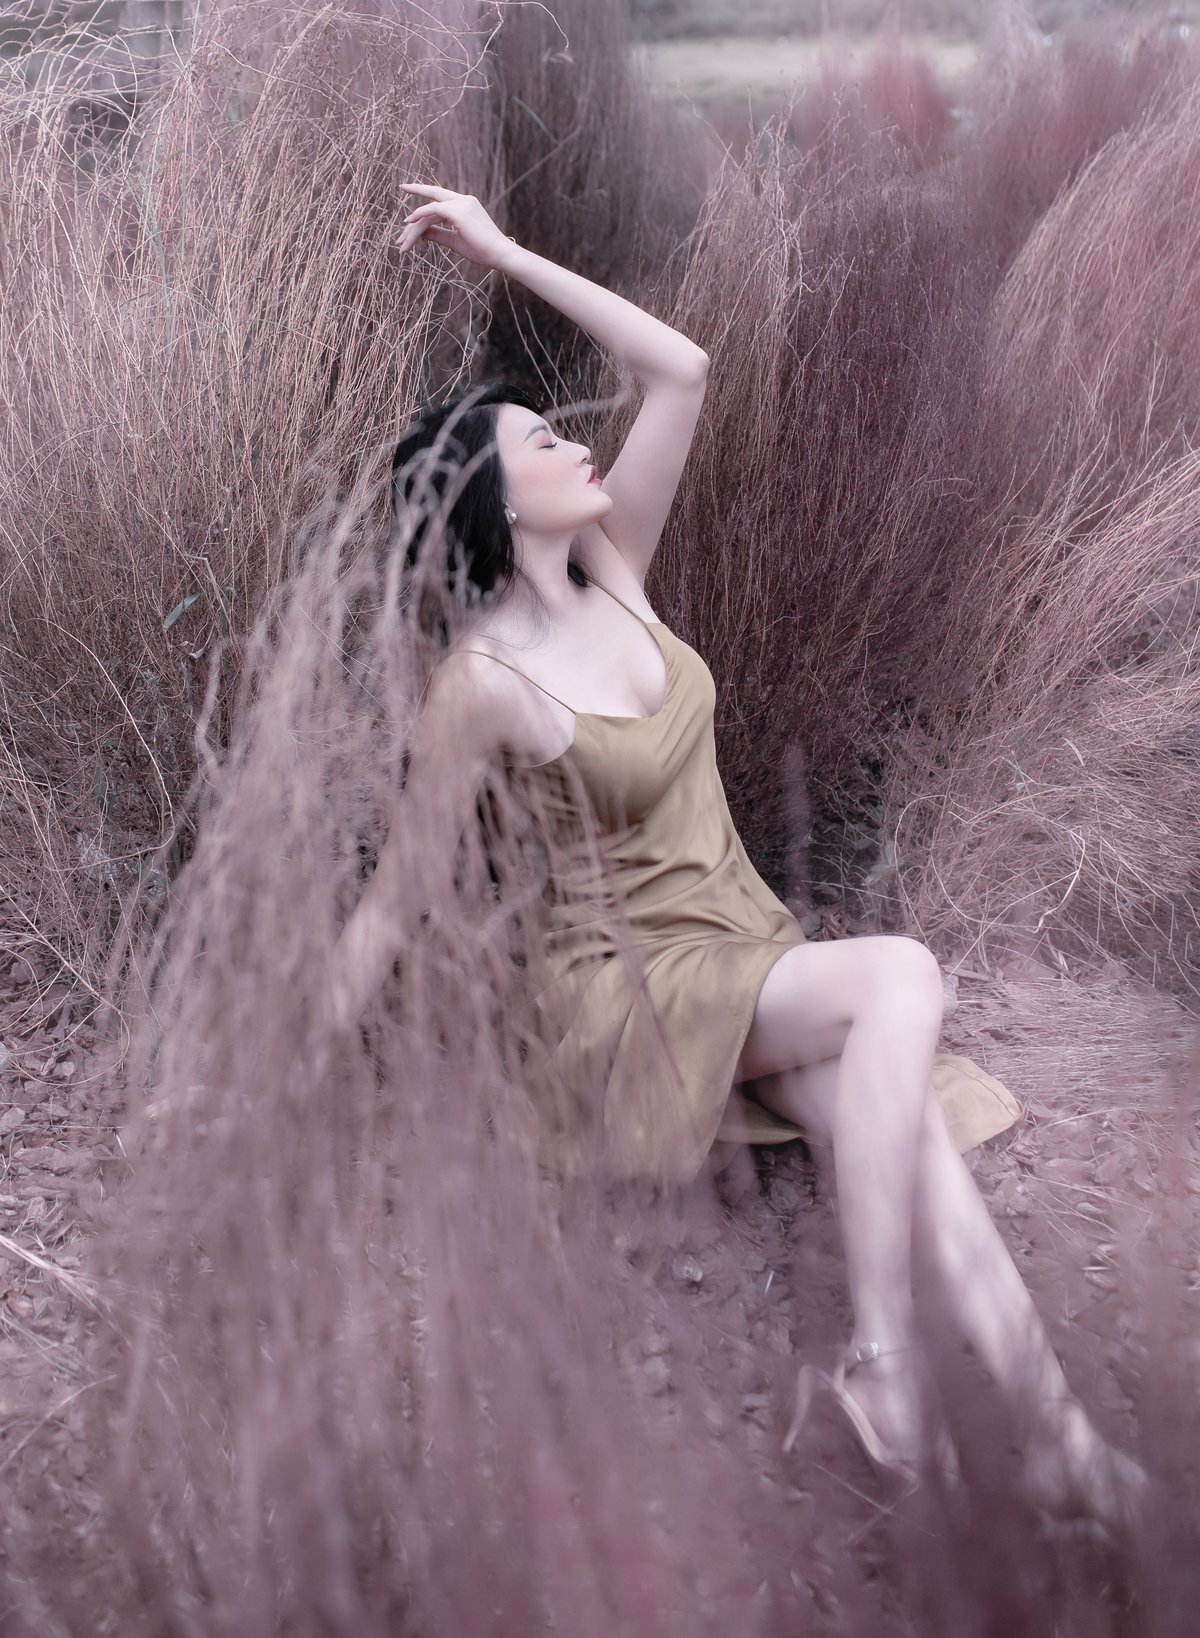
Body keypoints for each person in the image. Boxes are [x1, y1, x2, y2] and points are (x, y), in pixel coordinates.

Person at [329, 182, 1147, 1536]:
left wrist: (502, 249)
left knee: (898, 1121)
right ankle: (882, 1369)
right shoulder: (480, 683)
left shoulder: (615, 572)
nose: (574, 438)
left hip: (735, 949)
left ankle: (1058, 1435)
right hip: (620, 997)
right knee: (898, 976)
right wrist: (287, 1063)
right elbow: (392, 904)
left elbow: (683, 370)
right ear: (496, 499)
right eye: (541, 437)